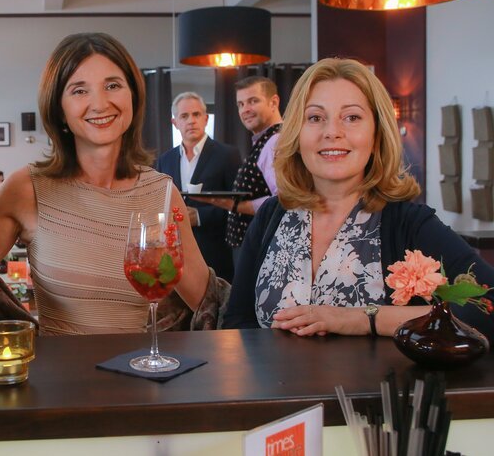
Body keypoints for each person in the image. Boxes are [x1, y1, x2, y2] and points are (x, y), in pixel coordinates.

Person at [0, 32, 217, 336]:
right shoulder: (26, 188)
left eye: (112, 85)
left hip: (140, 376)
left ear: (133, 95)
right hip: (58, 380)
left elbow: (209, 304)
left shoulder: (162, 193)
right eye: (79, 90)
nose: (100, 103)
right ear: (59, 109)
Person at [222, 58, 494, 342]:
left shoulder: (409, 223)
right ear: (296, 135)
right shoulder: (271, 215)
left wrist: (364, 318)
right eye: (315, 118)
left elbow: (488, 307)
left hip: (378, 388)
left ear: (376, 135)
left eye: (352, 117)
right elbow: (237, 323)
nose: (332, 132)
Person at [190, 76, 283, 266]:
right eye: (240, 104)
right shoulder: (264, 141)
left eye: (253, 101)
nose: (245, 110)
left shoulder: (276, 142)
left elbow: (283, 199)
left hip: (262, 248)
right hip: (252, 245)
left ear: (274, 102)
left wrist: (229, 203)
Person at [156, 92, 240, 280]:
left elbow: (238, 206)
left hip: (216, 253)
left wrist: (200, 216)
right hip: (175, 256)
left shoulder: (228, 155)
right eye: (184, 116)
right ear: (174, 122)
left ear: (205, 118)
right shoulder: (164, 160)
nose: (191, 121)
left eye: (196, 114)